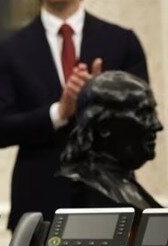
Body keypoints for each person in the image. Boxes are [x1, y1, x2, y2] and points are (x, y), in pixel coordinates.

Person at [0, 0, 149, 230]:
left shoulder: (121, 42)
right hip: (39, 204)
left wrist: (99, 102)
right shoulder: (8, 51)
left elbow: (142, 124)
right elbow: (0, 129)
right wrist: (59, 112)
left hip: (111, 201)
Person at [57, 71, 162, 210]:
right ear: (103, 126)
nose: (157, 125)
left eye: (153, 113)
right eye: (143, 114)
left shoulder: (125, 184)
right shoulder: (85, 189)